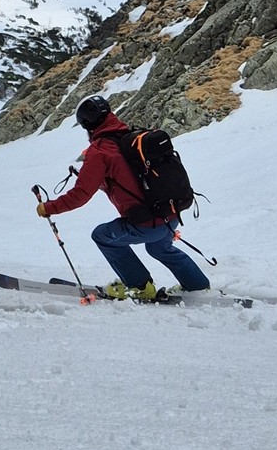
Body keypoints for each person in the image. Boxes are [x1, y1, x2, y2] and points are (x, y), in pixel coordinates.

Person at [39, 93, 210, 297]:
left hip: (147, 222)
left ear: (87, 125)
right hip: (169, 214)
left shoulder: (99, 151)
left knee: (102, 236)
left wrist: (48, 208)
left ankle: (139, 286)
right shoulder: (129, 137)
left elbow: (81, 194)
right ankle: (197, 285)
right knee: (158, 248)